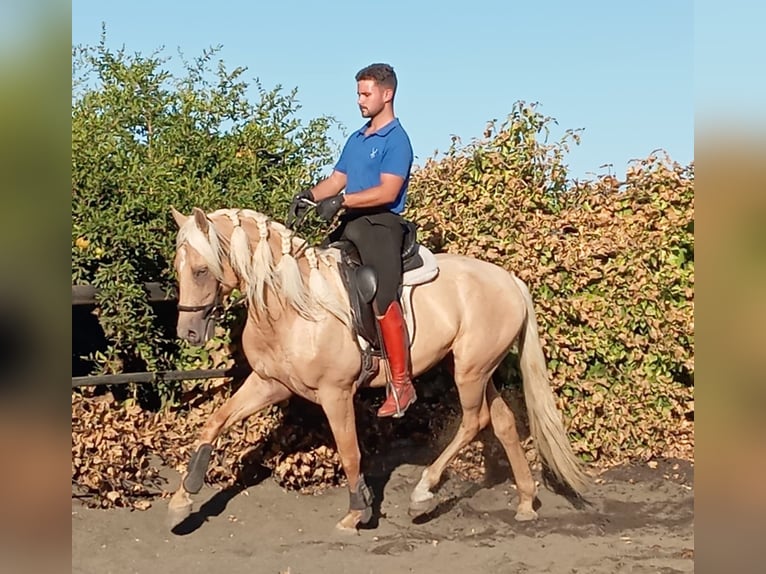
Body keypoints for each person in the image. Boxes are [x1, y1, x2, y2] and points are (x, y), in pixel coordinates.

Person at [290, 63, 416, 418]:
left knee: (381, 295)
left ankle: (402, 384)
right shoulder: (357, 139)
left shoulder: (396, 140)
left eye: (366, 94)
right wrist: (309, 197)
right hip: (352, 224)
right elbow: (337, 180)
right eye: (358, 94)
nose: (359, 100)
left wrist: (342, 201)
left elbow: (388, 191)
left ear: (386, 94)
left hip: (381, 224)